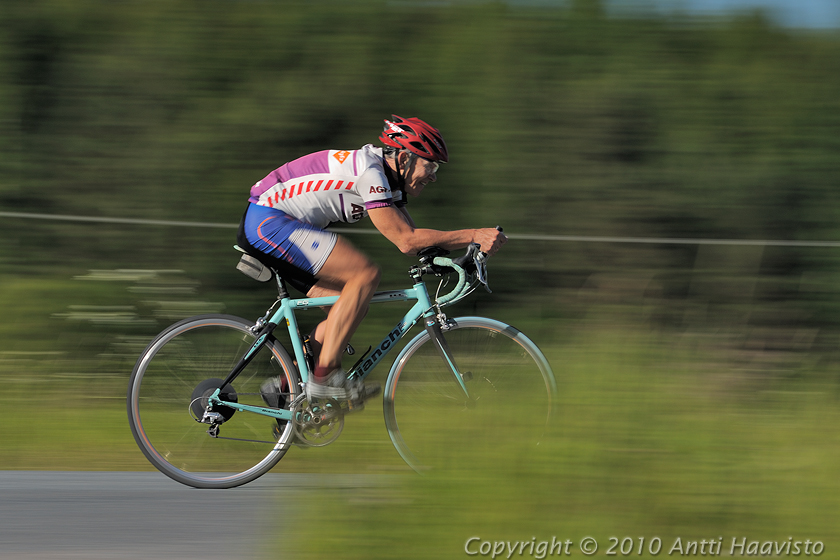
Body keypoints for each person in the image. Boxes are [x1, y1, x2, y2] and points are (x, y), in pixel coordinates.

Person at [238, 115, 507, 406]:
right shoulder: (371, 172)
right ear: (404, 158)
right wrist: (474, 234)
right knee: (365, 274)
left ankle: (288, 387)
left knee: (352, 303)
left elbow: (419, 243)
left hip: (273, 225)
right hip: (268, 221)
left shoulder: (389, 182)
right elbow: (405, 239)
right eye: (430, 166)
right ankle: (324, 377)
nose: (433, 176)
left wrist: (457, 259)